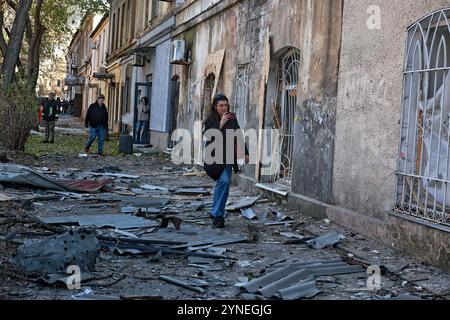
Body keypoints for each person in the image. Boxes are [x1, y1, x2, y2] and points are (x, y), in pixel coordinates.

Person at [203, 93, 249, 228]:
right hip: (214, 157)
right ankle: (216, 211)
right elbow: (209, 136)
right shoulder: (210, 120)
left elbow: (238, 134)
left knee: (224, 182)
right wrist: (221, 124)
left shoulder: (232, 118)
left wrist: (245, 153)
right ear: (215, 107)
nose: (224, 108)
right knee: (222, 183)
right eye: (221, 105)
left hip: (228, 156)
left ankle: (217, 215)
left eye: (226, 105)